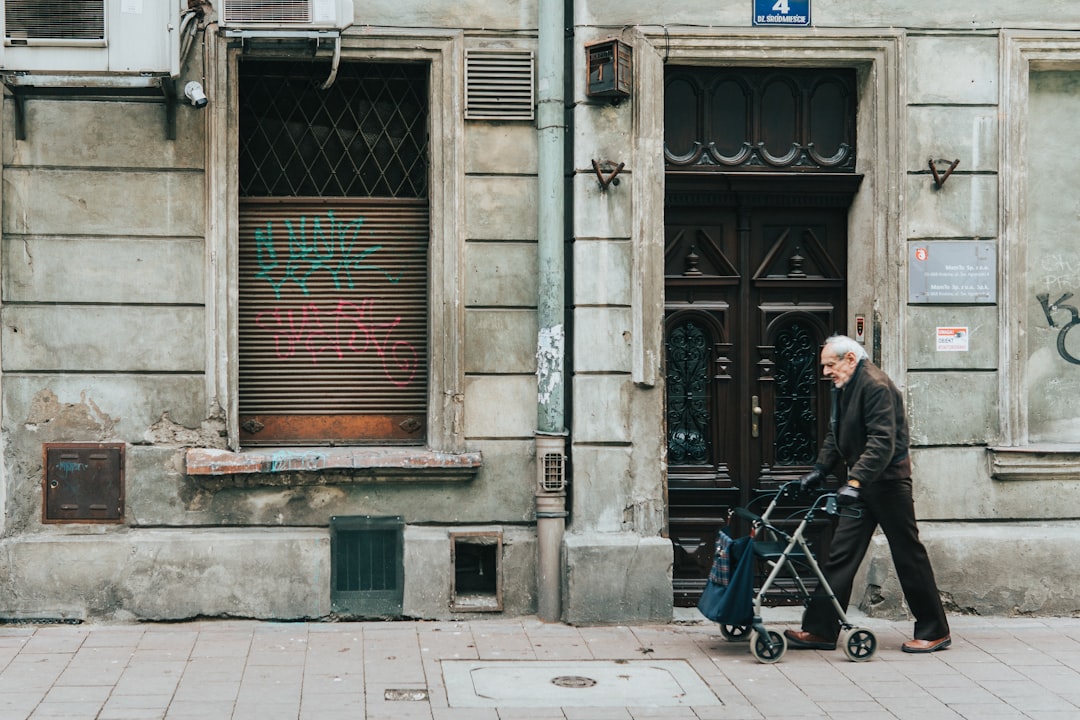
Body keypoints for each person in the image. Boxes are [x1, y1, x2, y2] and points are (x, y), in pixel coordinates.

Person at [785, 334, 951, 654]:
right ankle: (820, 630)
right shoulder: (846, 386)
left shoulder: (875, 385)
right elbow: (838, 433)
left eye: (829, 365)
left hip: (888, 484)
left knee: (908, 556)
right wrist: (819, 470)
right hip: (861, 486)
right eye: (824, 366)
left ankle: (935, 630)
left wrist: (856, 482)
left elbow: (881, 442)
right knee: (839, 556)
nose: (825, 372)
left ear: (850, 359)